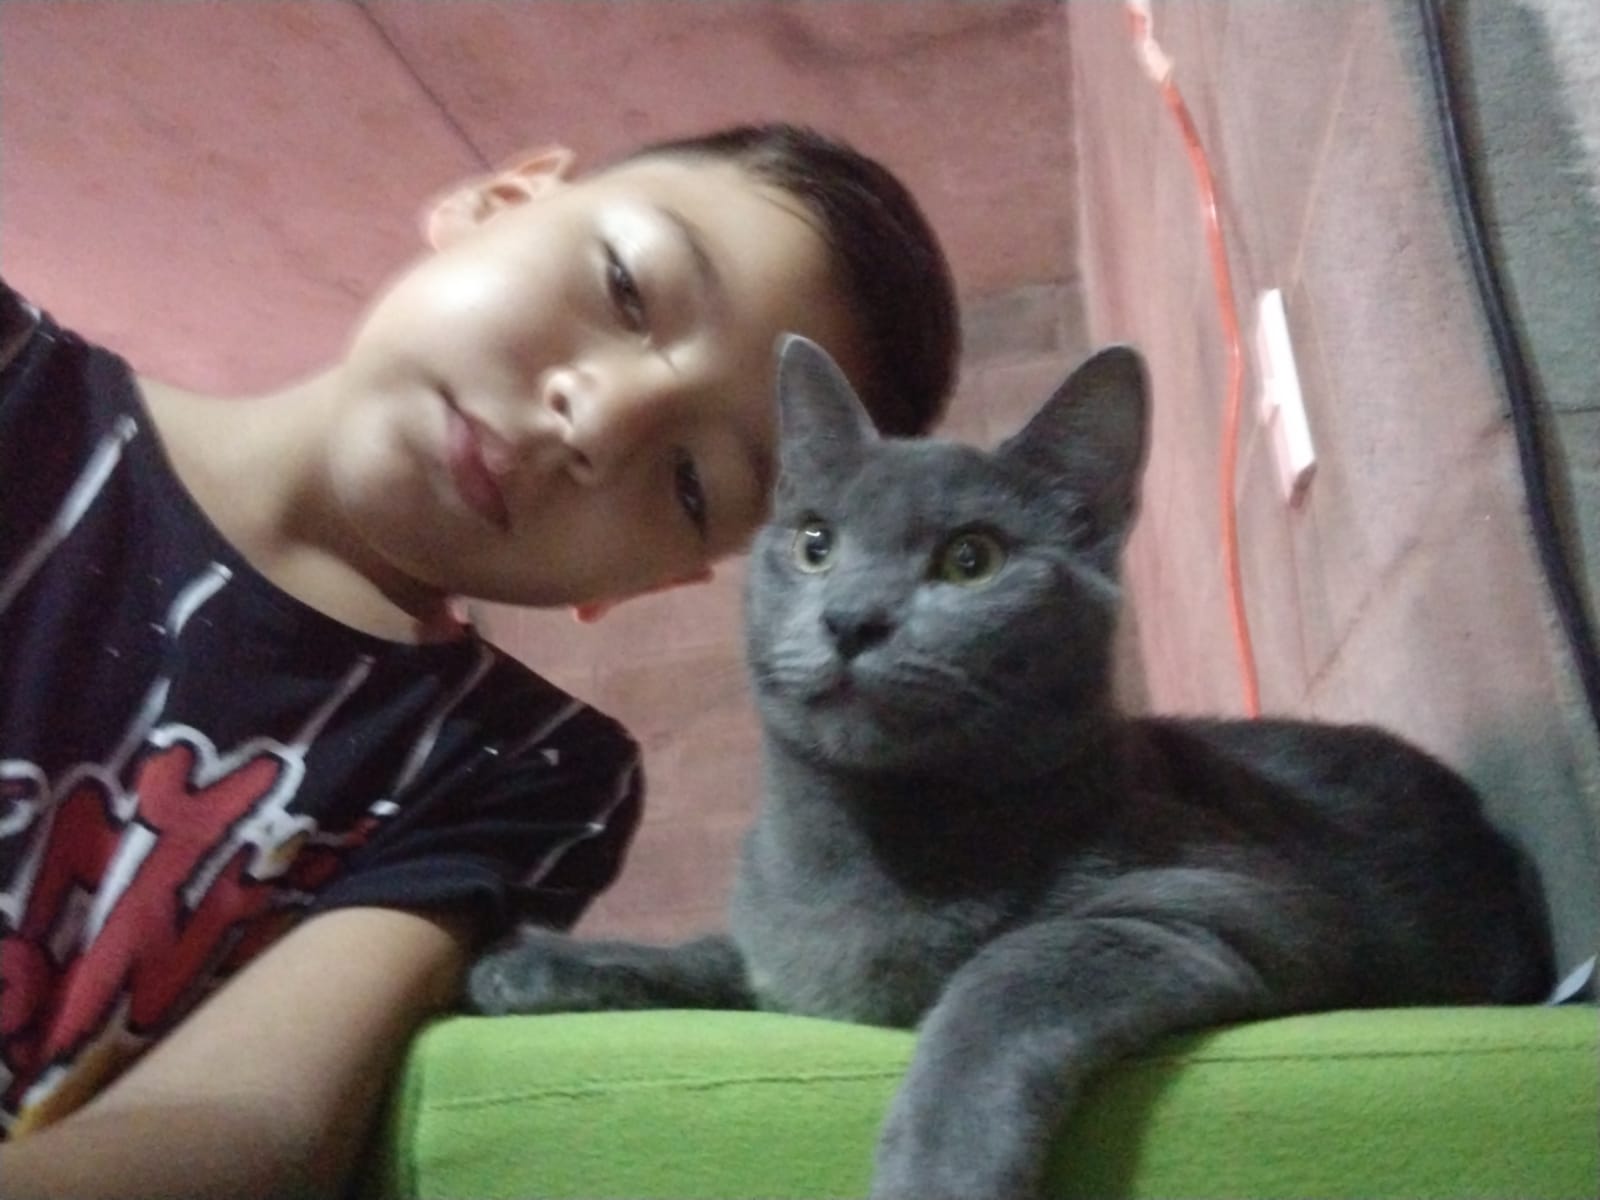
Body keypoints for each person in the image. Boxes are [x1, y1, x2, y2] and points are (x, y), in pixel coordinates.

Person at [0, 122, 957, 1198]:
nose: (599, 422)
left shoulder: (525, 769)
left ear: (649, 581)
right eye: (627, 287)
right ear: (497, 200)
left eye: (692, 484)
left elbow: (252, 1122)